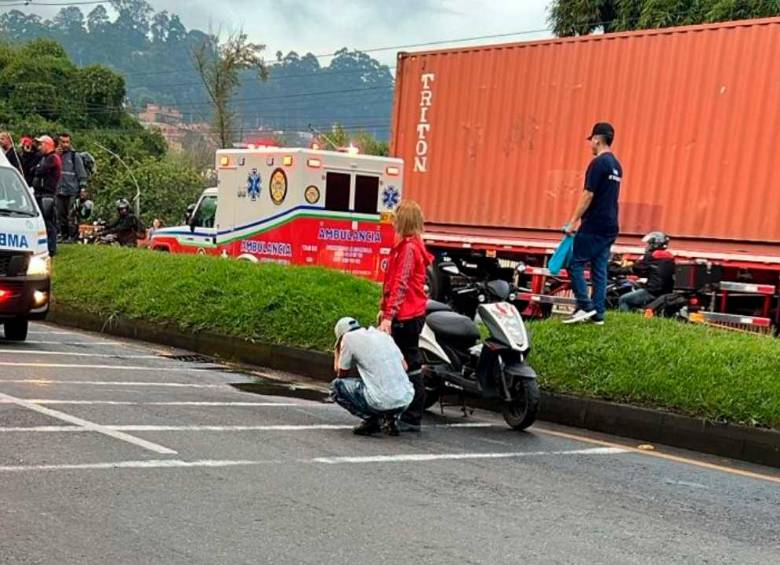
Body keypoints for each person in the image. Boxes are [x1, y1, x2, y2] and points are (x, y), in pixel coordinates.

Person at [379, 200, 432, 432]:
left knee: (407, 363)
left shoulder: (408, 249)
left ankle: (411, 414)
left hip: (406, 315)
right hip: (412, 312)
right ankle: (409, 412)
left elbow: (400, 283)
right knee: (408, 361)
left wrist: (389, 316)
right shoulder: (413, 245)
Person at [562, 122, 623, 325]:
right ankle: (598, 314)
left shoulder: (598, 163)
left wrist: (572, 222)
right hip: (610, 224)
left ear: (597, 139)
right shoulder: (616, 165)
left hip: (594, 224)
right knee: (599, 269)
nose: (591, 145)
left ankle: (585, 307)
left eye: (592, 141)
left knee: (574, 264)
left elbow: (588, 194)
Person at [331, 317, 414, 436]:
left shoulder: (348, 338)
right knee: (376, 386)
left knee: (335, 387)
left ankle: (372, 420)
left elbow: (341, 374)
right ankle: (391, 419)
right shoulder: (383, 335)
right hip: (406, 398)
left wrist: (337, 349)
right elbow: (405, 367)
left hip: (381, 400)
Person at [619, 232, 675, 312]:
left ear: (655, 244)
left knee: (624, 299)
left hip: (652, 292)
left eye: (648, 244)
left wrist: (616, 270)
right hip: (666, 291)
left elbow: (636, 268)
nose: (647, 246)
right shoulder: (669, 257)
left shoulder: (652, 256)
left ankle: (625, 320)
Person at [31, 135, 62, 255]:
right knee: (45, 220)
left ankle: (51, 248)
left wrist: (36, 168)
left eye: (41, 144)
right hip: (41, 193)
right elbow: (33, 169)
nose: (39, 147)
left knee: (48, 221)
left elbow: (39, 170)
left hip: (47, 194)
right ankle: (46, 245)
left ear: (47, 144)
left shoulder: (52, 158)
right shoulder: (45, 158)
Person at [55, 133, 89, 241]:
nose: (65, 144)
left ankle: (73, 236)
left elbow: (82, 174)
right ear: (58, 142)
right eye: (63, 142)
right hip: (59, 190)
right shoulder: (54, 155)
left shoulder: (75, 156)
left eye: (67, 142)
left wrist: (83, 188)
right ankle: (63, 235)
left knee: (72, 215)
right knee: (60, 214)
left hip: (72, 191)